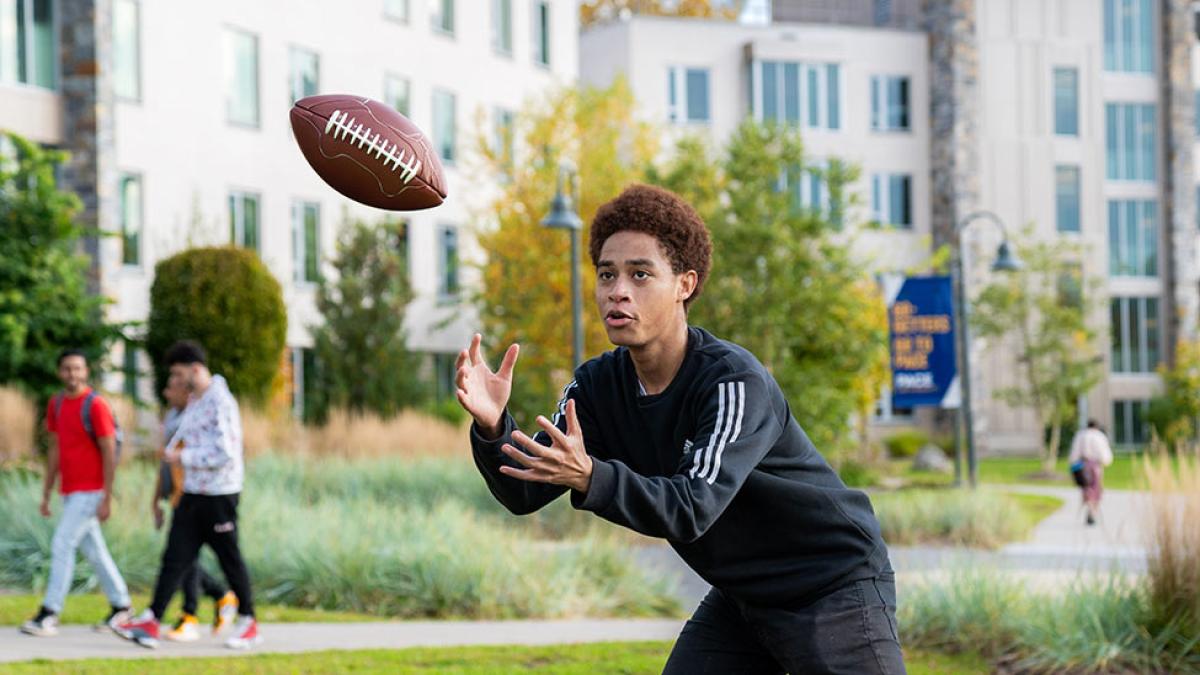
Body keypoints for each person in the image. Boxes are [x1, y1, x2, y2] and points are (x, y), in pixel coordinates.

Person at [458, 184, 905, 673]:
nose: (617, 290)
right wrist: (493, 424)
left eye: (640, 274)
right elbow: (523, 493)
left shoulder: (732, 381)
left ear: (684, 285)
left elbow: (693, 508)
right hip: (743, 597)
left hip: (830, 584)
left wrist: (590, 477)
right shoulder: (597, 386)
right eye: (606, 274)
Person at [115, 340, 260, 649]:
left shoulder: (221, 401)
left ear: (196, 369)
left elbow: (226, 452)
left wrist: (184, 458)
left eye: (179, 374)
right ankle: (152, 619)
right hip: (192, 493)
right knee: (175, 557)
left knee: (229, 557)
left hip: (219, 495)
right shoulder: (196, 400)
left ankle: (248, 620)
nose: (177, 381)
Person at [21, 350, 132, 637]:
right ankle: (121, 605)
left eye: (78, 369)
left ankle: (49, 612)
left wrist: (107, 495)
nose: (73, 374)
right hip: (69, 490)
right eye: (67, 369)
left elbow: (109, 450)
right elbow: (56, 449)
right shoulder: (56, 404)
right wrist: (46, 492)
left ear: (86, 371)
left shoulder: (95, 405)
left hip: (92, 490)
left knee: (61, 544)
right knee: (94, 551)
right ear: (60, 372)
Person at [152, 377, 239, 642]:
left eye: (172, 386)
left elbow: (218, 452)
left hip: (198, 495)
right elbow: (165, 464)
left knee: (187, 558)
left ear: (185, 390)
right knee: (183, 559)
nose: (167, 392)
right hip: (179, 495)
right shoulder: (173, 418)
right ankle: (218, 596)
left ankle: (192, 614)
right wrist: (155, 498)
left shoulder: (194, 417)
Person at [1067, 419, 1114, 526]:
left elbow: (1075, 451)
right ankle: (1093, 512)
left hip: (1083, 464)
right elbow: (1105, 453)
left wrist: (1073, 463)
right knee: (1096, 488)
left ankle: (1090, 509)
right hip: (1096, 465)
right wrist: (1106, 461)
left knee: (1087, 488)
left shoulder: (1081, 435)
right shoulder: (1100, 436)